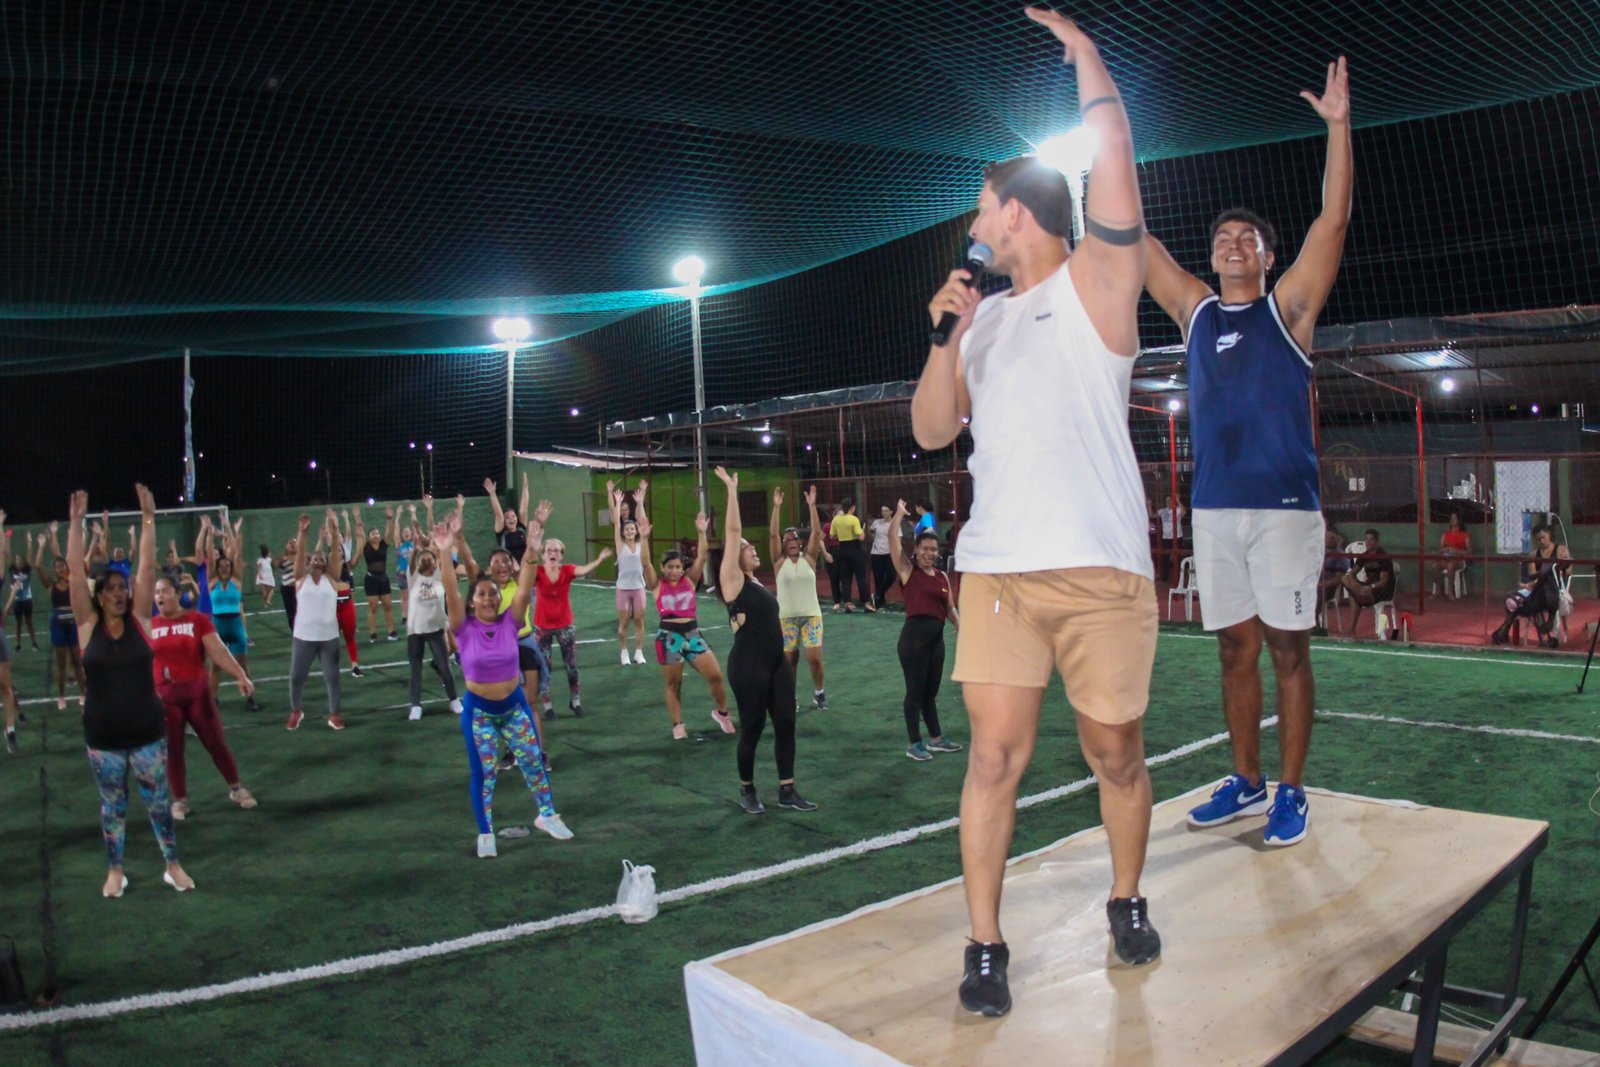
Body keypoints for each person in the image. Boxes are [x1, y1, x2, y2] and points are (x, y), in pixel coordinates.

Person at [912, 9, 1158, 1015]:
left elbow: (1115, 158)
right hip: (999, 571)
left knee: (1114, 752)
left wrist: (1087, 60)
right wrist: (941, 338)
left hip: (1101, 571)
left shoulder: (1102, 281)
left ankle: (1126, 895)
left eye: (982, 205)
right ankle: (983, 945)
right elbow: (933, 431)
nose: (972, 221)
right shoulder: (983, 320)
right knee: (993, 755)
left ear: (1019, 211)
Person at [1144, 57, 1350, 848]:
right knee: (1233, 647)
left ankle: (1292, 790)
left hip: (1285, 509)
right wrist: (1104, 154)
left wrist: (1335, 128)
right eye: (1223, 237)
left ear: (1267, 256)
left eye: (1248, 238)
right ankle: (1246, 778)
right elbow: (1139, 241)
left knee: (1288, 648)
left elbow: (1330, 222)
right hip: (1214, 510)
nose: (1234, 243)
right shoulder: (1195, 313)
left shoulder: (1288, 310)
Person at [67, 485, 195, 897]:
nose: (121, 594)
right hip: (103, 739)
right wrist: (75, 524)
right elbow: (72, 569)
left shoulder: (142, 618)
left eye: (124, 589)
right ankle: (115, 871)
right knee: (114, 807)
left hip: (146, 733)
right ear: (99, 597)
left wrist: (148, 518)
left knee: (159, 804)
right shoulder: (87, 627)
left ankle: (172, 865)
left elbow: (145, 566)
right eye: (112, 590)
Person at [435, 508, 572, 857]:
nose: (487, 598)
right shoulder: (463, 627)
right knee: (484, 773)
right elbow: (451, 591)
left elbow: (525, 585)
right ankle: (486, 834)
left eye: (492, 594)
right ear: (472, 601)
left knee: (533, 762)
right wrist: (443, 550)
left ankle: (547, 814)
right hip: (479, 713)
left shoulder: (511, 622)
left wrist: (532, 549)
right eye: (480, 594)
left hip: (514, 708)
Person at [714, 467, 817, 816]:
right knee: (753, 729)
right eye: (746, 548)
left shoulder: (756, 583)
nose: (751, 549)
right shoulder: (732, 580)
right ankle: (747, 790)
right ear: (732, 556)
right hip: (749, 666)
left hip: (776, 665)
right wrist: (731, 491)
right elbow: (732, 531)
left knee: (786, 723)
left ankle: (787, 790)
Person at [149, 574, 257, 818]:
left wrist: (241, 675)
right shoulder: (150, 625)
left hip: (197, 693)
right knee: (173, 749)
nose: (159, 596)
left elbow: (218, 650)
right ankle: (180, 800)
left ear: (178, 593)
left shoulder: (197, 620)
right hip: (166, 699)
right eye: (156, 592)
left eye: (165, 591)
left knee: (216, 742)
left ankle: (236, 788)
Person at [640, 510, 735, 740]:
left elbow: (702, 557)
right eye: (670, 567)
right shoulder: (656, 584)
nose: (675, 570)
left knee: (715, 676)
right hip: (668, 637)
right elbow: (644, 562)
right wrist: (643, 539)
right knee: (674, 683)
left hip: (692, 634)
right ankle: (678, 724)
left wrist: (702, 532)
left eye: (678, 566)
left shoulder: (690, 580)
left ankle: (722, 714)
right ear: (663, 568)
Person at [887, 500, 963, 761]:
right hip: (913, 642)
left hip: (936, 643)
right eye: (925, 549)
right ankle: (914, 744)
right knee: (915, 692)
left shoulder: (942, 577)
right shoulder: (909, 572)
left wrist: (958, 622)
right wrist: (898, 515)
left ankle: (936, 739)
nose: (930, 553)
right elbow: (892, 539)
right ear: (916, 550)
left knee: (930, 693)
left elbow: (950, 607)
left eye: (934, 549)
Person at [532, 535, 611, 719]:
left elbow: (583, 569)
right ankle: (548, 705)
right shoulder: (536, 572)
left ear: (561, 555)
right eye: (549, 550)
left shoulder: (567, 570)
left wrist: (598, 560)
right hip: (542, 627)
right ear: (543, 555)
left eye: (557, 550)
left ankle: (575, 701)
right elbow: (522, 572)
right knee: (544, 667)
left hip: (565, 625)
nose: (553, 553)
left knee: (571, 666)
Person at [285, 511, 349, 731]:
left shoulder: (331, 579)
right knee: (296, 677)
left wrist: (333, 527)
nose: (318, 559)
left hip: (328, 638)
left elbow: (334, 554)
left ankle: (334, 714)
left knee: (332, 679)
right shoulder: (301, 579)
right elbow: (301, 550)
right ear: (308, 562)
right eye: (314, 558)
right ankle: (296, 710)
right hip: (303, 637)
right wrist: (303, 532)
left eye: (321, 558)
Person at [770, 486, 829, 711]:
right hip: (786, 619)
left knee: (813, 658)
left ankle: (819, 693)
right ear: (783, 544)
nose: (791, 541)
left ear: (800, 542)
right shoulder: (778, 562)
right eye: (787, 540)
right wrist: (776, 507)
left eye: (795, 538)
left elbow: (816, 532)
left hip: (811, 616)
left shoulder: (810, 559)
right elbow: (773, 535)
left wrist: (813, 506)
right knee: (788, 662)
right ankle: (790, 697)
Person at [403, 537, 462, 721]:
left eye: (430, 559)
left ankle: (453, 700)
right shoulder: (413, 576)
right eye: (424, 560)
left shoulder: (439, 575)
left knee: (444, 666)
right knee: (416, 669)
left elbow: (444, 559)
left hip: (436, 629)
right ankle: (416, 706)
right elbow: (412, 561)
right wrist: (416, 550)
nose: (427, 562)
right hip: (415, 631)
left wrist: (438, 547)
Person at [206, 525, 259, 711]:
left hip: (236, 625)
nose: (224, 567)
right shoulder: (212, 581)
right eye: (221, 565)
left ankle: (250, 698)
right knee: (216, 666)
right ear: (217, 567)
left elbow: (236, 553)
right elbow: (209, 557)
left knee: (243, 664)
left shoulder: (237, 580)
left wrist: (232, 530)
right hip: (218, 626)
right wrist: (209, 534)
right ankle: (213, 699)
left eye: (227, 565)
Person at [1492, 522, 1570, 647]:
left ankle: (1506, 630)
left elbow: (1569, 571)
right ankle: (1505, 630)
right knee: (1513, 599)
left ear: (1549, 535)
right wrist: (1534, 581)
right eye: (1538, 539)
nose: (1541, 541)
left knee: (1542, 583)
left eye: (1543, 537)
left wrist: (1550, 572)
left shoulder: (1561, 550)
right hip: (1536, 590)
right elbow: (1532, 576)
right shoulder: (1534, 555)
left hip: (1553, 590)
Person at [45, 524, 87, 710]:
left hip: (73, 623)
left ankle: (82, 694)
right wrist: (52, 536)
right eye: (57, 567)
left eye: (62, 566)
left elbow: (67, 556)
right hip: (58, 624)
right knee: (61, 663)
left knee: (78, 662)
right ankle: (61, 696)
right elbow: (53, 557)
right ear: (54, 570)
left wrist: (77, 536)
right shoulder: (51, 584)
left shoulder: (72, 578)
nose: (60, 568)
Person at [608, 480, 650, 666]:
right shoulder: (620, 545)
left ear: (636, 531)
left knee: (639, 620)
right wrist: (616, 502)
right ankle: (624, 652)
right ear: (624, 533)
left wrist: (641, 501)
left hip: (639, 587)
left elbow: (642, 521)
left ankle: (638, 652)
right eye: (627, 529)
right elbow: (616, 523)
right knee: (624, 622)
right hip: (623, 589)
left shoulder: (642, 545)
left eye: (633, 529)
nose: (630, 530)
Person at [354, 503, 399, 643]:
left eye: (377, 533)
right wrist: (357, 517)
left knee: (388, 605)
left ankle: (391, 631)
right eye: (373, 533)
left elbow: (389, 532)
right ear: (368, 536)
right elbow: (360, 531)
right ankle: (373, 633)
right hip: (371, 580)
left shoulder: (384, 544)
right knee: (373, 607)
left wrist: (389, 518)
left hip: (383, 579)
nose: (376, 535)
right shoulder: (365, 545)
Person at [1341, 528, 1397, 634]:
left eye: (1371, 540)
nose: (1368, 542)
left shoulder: (1383, 556)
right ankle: (1360, 595)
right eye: (1366, 539)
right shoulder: (1364, 556)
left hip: (1382, 589)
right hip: (1366, 588)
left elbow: (1384, 581)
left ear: (1377, 542)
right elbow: (1352, 573)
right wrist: (1357, 586)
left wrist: (1370, 587)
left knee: (1354, 597)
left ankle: (1352, 629)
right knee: (1345, 578)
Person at [830, 499, 872, 612]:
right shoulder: (854, 519)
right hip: (854, 548)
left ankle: (847, 602)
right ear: (852, 507)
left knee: (845, 577)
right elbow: (861, 537)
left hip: (842, 548)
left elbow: (832, 536)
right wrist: (862, 530)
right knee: (861, 576)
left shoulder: (836, 519)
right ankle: (866, 602)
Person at [8, 527, 41, 652]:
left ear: (23, 561)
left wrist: (29, 541)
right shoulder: (12, 570)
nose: (18, 560)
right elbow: (8, 553)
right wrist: (8, 539)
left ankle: (34, 643)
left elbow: (30, 554)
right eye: (16, 559)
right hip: (16, 600)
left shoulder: (27, 569)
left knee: (29, 622)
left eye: (19, 559)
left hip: (27, 599)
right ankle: (18, 644)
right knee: (18, 623)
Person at [485, 474, 530, 561]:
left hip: (525, 566)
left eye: (513, 516)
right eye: (507, 517)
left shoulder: (521, 529)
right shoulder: (501, 532)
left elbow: (524, 510)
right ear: (504, 521)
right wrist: (492, 494)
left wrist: (525, 488)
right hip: (509, 567)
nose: (511, 519)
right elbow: (498, 514)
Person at [868, 505, 902, 610]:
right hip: (876, 554)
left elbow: (899, 539)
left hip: (889, 554)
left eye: (886, 511)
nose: (884, 513)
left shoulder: (895, 523)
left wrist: (898, 553)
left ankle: (877, 594)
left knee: (892, 576)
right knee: (878, 579)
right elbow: (870, 530)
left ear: (891, 511)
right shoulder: (877, 522)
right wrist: (874, 538)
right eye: (882, 511)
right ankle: (879, 602)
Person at [1438, 512, 1470, 599]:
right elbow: (1440, 549)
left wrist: (1456, 551)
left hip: (1459, 561)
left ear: (1459, 521)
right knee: (1434, 565)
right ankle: (1438, 591)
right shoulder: (1445, 534)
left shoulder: (1464, 535)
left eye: (1454, 518)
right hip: (1446, 558)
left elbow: (1469, 552)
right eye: (1451, 518)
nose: (1452, 520)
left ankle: (1451, 592)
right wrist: (1445, 550)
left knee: (1450, 565)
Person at [275, 535, 299, 631]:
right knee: (291, 613)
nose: (293, 544)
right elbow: (275, 565)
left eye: (295, 542)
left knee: (301, 611)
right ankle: (294, 631)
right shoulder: (283, 558)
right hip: (287, 589)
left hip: (299, 589)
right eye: (290, 543)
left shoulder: (301, 557)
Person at [255, 545, 276, 609]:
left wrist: (259, 575)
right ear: (267, 553)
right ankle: (268, 600)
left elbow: (259, 568)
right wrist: (260, 574)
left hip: (264, 575)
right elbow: (259, 568)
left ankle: (266, 604)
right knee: (272, 588)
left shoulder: (261, 560)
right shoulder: (267, 560)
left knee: (265, 590)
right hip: (267, 575)